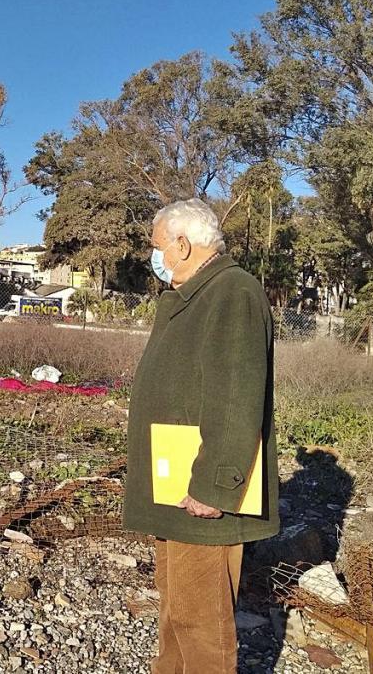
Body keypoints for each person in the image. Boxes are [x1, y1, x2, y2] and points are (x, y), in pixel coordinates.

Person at [123, 199, 279, 674]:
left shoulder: (232, 292)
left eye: (158, 247)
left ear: (183, 244)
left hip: (201, 488)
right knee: (177, 609)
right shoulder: (197, 294)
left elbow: (236, 397)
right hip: (177, 483)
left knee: (202, 622)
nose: (154, 257)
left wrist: (215, 484)